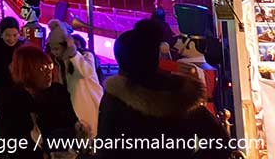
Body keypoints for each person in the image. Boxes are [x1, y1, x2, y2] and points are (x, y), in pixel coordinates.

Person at [97, 19, 233, 159]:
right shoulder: (182, 94)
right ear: (155, 57)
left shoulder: (115, 97)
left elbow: (106, 150)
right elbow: (220, 143)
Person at [0, 45, 82, 159]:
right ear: (26, 70)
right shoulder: (12, 98)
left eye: (50, 66)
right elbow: (10, 138)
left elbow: (71, 121)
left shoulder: (58, 91)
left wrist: (79, 129)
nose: (49, 72)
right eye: (42, 68)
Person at [46, 19, 102, 138]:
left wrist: (73, 53)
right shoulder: (60, 62)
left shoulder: (86, 56)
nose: (54, 52)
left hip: (89, 107)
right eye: (52, 49)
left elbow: (86, 72)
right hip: (72, 112)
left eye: (56, 49)